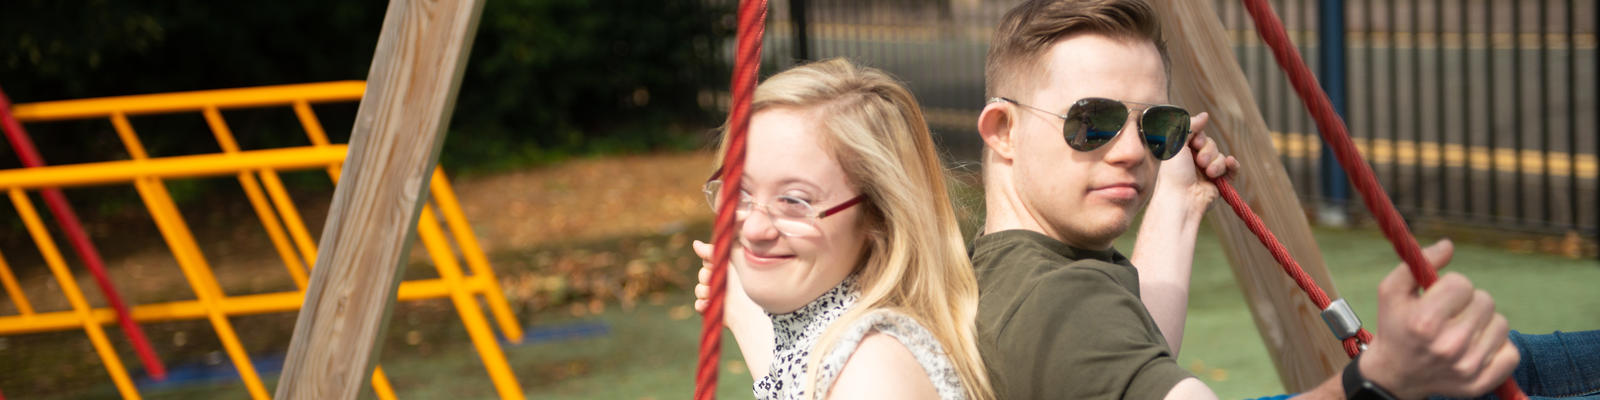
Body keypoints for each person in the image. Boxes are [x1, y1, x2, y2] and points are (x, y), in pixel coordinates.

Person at [971, 0, 1519, 399]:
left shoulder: (1009, 270)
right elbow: (1094, 332)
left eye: (1156, 124)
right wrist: (1379, 380)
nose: (1133, 151)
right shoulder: (1063, 303)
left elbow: (1133, 350)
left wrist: (1181, 200)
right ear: (1003, 130)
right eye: (1094, 121)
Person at [690, 58, 995, 399]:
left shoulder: (872, 373)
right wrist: (744, 312)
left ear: (878, 215)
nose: (756, 229)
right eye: (739, 191)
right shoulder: (841, 336)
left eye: (794, 201)